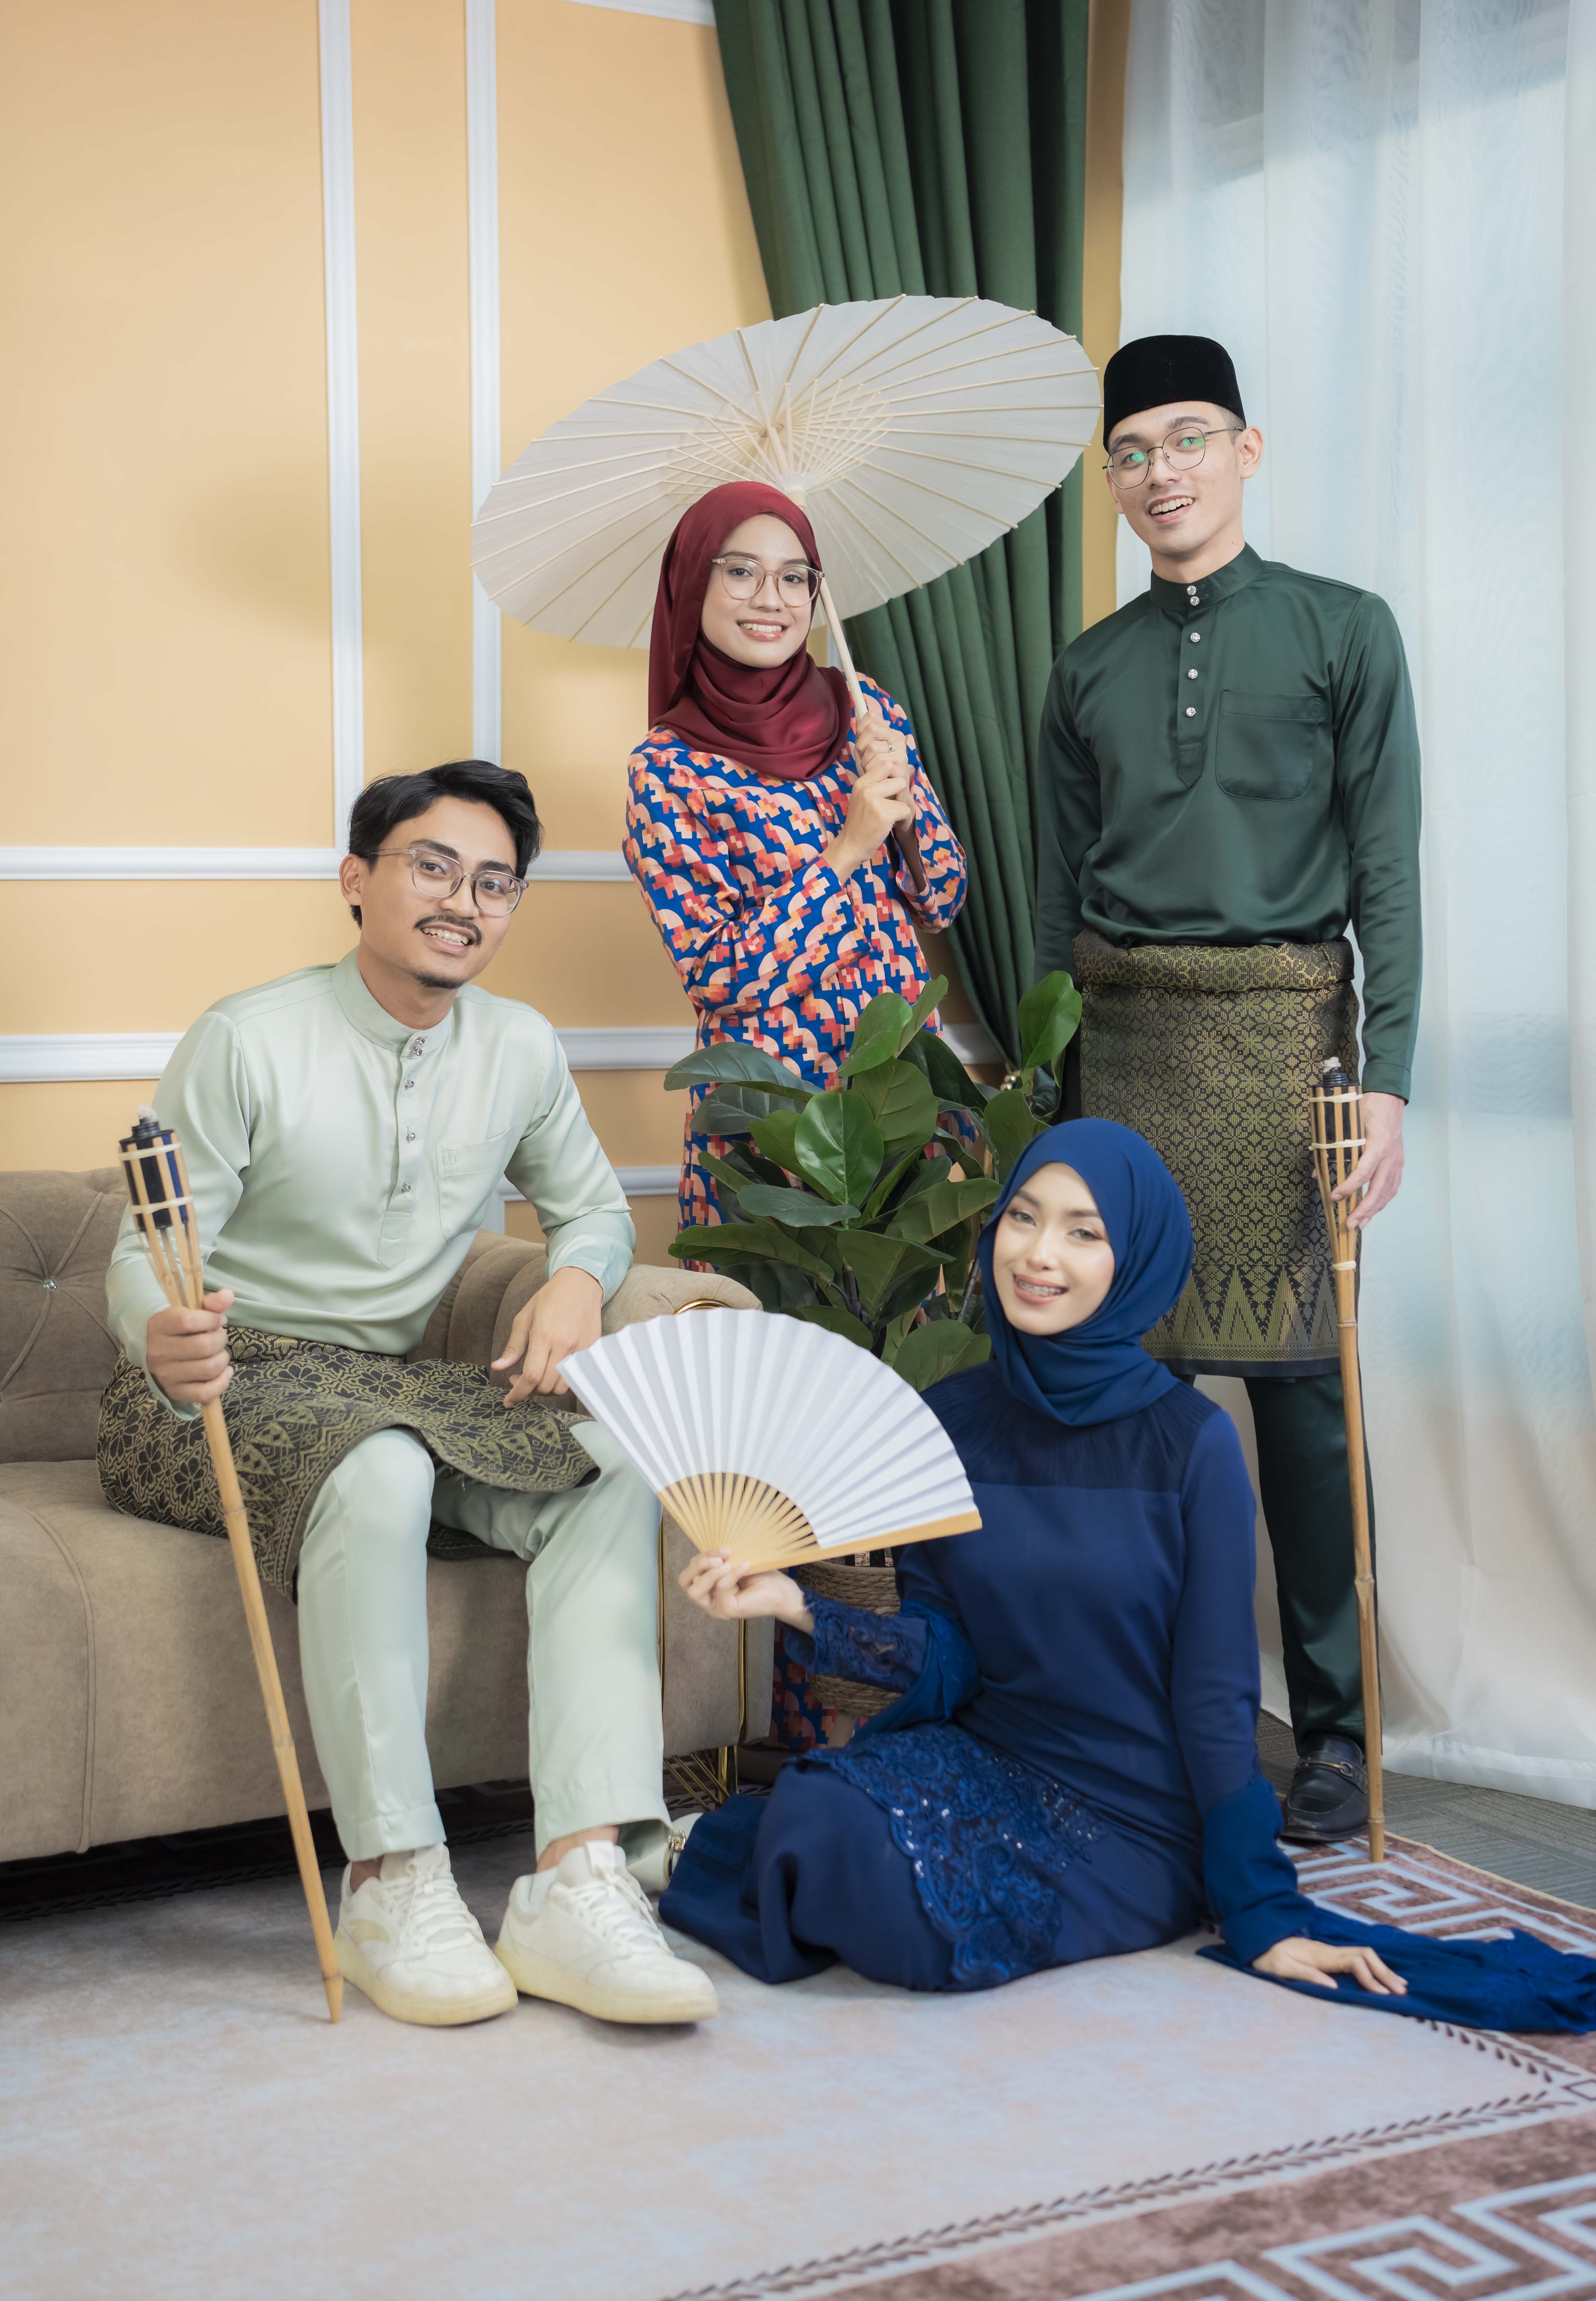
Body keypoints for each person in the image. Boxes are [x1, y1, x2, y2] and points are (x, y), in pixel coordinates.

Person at [660, 1126, 1596, 2037]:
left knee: (892, 1917)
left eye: (1083, 1232)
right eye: (1023, 1217)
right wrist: (793, 1604)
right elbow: (947, 1656)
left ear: (1136, 1259)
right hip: (987, 1755)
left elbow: (1216, 1696)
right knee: (823, 1824)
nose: (1039, 1254)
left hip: (1133, 1815)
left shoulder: (1191, 1444)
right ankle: (743, 1841)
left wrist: (1260, 1910)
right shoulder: (949, 1419)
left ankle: (726, 1850)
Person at [100, 759, 716, 2031]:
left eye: (495, 882)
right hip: (215, 1384)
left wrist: (578, 1284)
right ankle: (394, 1880)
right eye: (432, 867)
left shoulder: (520, 1044)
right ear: (357, 878)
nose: (463, 902)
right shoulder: (247, 1036)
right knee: (381, 1461)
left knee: (611, 1463)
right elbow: (142, 1247)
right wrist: (163, 1333)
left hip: (388, 1385)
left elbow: (595, 1211)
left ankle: (577, 1878)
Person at [1032, 334, 1423, 1841]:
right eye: (1132, 453)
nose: (1161, 472)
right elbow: (1057, 893)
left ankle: (1329, 1737)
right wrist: (1050, 1097)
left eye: (1189, 439)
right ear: (1112, 480)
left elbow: (1386, 871)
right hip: (1123, 1054)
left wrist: (1386, 1080)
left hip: (1285, 1047)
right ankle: (1145, 1717)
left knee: (1306, 1404)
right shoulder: (1086, 668)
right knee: (1128, 1401)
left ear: (1247, 451)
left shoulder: (1343, 630)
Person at [624, 480, 968, 1232]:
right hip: (774, 1103)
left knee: (903, 1296)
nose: (770, 599)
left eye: (793, 576)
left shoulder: (867, 709)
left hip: (897, 1080)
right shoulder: (668, 768)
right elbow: (719, 975)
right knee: (776, 1305)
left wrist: (904, 806)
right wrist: (846, 849)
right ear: (692, 585)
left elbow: (942, 900)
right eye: (740, 571)